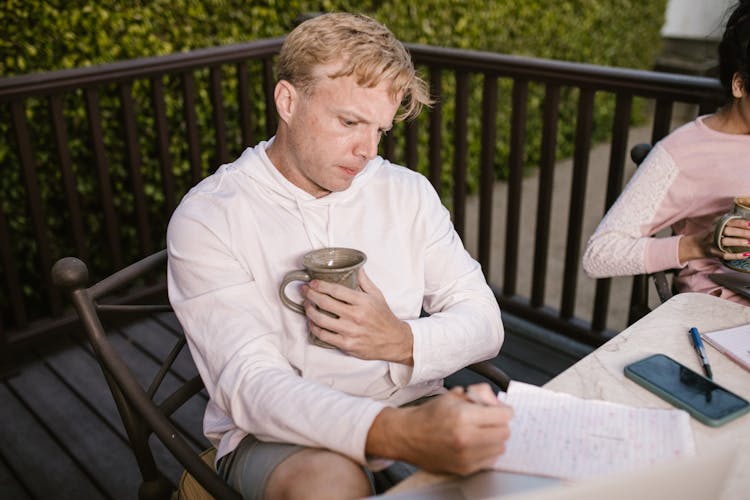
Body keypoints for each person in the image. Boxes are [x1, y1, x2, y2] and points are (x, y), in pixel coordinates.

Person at [166, 12, 512, 500]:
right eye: (349, 122)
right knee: (330, 487)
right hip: (279, 435)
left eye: (379, 130)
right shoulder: (210, 215)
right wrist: (397, 433)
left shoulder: (407, 192)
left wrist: (401, 339)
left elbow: (485, 322)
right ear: (288, 101)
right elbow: (251, 384)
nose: (367, 150)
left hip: (413, 403)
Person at [582, 0, 750, 305]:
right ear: (739, 84)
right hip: (719, 315)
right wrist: (698, 245)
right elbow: (599, 255)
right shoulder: (683, 153)